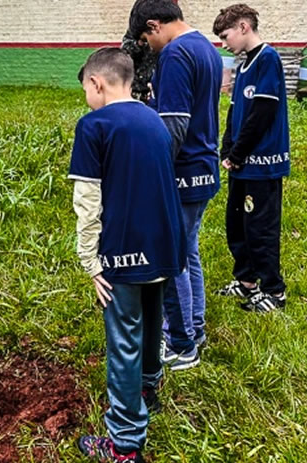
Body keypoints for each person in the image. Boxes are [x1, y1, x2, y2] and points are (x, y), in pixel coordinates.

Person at [69, 47, 186, 463]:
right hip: (165, 246)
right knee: (153, 320)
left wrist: (91, 262)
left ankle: (123, 444)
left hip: (122, 253)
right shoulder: (153, 120)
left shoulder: (94, 125)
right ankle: (147, 391)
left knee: (124, 340)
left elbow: (87, 200)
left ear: (97, 83)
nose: (87, 96)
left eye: (86, 88)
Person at [128, 0, 223, 370]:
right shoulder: (206, 48)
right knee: (188, 252)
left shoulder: (176, 54)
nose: (148, 47)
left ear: (154, 25)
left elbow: (175, 127)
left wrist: (150, 172)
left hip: (182, 171)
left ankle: (182, 344)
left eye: (145, 39)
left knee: (171, 261)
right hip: (205, 167)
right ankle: (194, 327)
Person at [213, 4, 290, 313]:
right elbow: (236, 112)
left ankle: (274, 291)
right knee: (238, 224)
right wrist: (227, 148)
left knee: (261, 228)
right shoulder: (243, 65)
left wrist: (239, 152)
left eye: (225, 35)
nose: (223, 42)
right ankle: (246, 281)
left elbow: (262, 112)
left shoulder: (267, 60)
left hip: (262, 163)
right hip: (241, 163)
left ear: (243, 27)